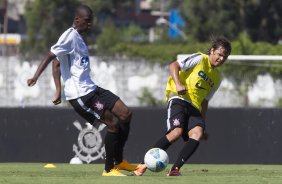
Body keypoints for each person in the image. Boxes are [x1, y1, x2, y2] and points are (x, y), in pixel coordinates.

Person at [27, 4, 136, 176]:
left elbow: (57, 64)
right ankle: (109, 170)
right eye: (87, 21)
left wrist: (57, 91)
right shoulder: (68, 36)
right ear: (77, 20)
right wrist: (36, 77)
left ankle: (120, 162)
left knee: (126, 113)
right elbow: (51, 57)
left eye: (91, 21)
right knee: (113, 124)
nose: (90, 25)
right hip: (81, 95)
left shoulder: (78, 37)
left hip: (92, 88)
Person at [134, 36, 232, 176]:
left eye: (225, 57)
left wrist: (202, 123)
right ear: (212, 51)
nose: (221, 59)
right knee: (176, 133)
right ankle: (142, 164)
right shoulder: (200, 58)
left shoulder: (217, 77)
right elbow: (174, 65)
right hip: (178, 98)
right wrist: (179, 84)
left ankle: (174, 169)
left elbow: (205, 101)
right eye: (220, 54)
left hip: (195, 107)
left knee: (197, 133)